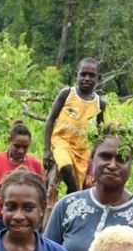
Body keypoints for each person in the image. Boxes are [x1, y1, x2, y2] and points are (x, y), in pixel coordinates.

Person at [43, 57, 106, 193]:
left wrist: (95, 152)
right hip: (62, 141)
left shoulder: (99, 103)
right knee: (65, 166)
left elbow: (101, 130)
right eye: (83, 74)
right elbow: (51, 119)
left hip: (83, 150)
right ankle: (72, 192)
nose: (87, 78)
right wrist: (46, 149)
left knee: (79, 184)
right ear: (76, 75)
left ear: (98, 78)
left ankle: (70, 199)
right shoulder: (67, 94)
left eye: (92, 75)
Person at [0, 121, 44, 240]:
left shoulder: (36, 164)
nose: (21, 151)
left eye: (25, 147)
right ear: (9, 141)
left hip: (25, 221)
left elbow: (42, 197)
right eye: (17, 146)